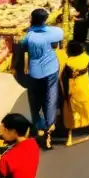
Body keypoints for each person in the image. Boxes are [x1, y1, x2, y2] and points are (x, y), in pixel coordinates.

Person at [20, 8, 63, 149]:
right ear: (45, 19)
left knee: (34, 99)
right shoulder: (54, 32)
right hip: (51, 69)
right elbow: (59, 36)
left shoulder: (29, 36)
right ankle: (50, 125)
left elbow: (23, 45)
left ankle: (38, 125)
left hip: (35, 71)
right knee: (50, 96)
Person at [61, 41, 89, 146]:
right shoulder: (87, 58)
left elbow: (64, 78)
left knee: (70, 112)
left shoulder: (67, 62)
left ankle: (70, 134)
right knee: (88, 109)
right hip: (86, 89)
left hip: (73, 92)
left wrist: (65, 94)